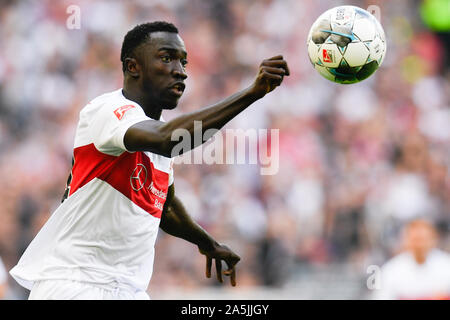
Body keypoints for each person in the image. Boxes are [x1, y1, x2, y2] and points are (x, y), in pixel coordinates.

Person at [9, 21, 290, 299]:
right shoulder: (107, 111)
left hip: (127, 290)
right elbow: (171, 139)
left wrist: (207, 243)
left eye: (184, 62)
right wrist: (251, 93)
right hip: (76, 282)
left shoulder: (156, 132)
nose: (180, 72)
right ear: (133, 67)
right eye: (167, 58)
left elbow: (165, 207)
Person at [373, 219, 450, 300]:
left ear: (433, 240)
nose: (420, 245)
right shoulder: (391, 270)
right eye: (416, 239)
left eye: (423, 239)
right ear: (405, 241)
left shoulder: (446, 265)